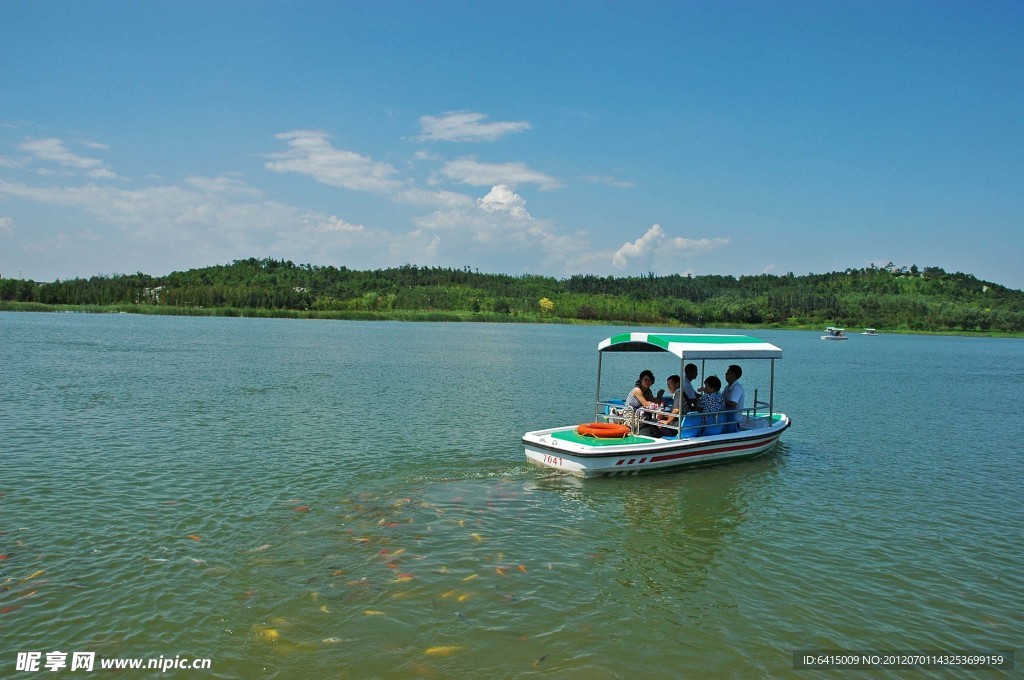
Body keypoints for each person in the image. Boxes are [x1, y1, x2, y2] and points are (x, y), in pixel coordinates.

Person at [625, 370, 660, 436]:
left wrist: (659, 396)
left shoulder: (648, 391)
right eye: (645, 380)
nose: (647, 382)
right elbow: (646, 404)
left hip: (639, 412)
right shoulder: (637, 390)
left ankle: (654, 430)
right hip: (630, 413)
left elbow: (652, 401)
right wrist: (651, 403)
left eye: (649, 380)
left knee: (653, 413)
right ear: (641, 380)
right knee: (650, 414)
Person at [722, 364, 745, 432]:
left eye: (728, 372)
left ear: (733, 374)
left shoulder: (737, 387)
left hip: (733, 420)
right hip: (726, 417)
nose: (725, 374)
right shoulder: (727, 387)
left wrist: (718, 402)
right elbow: (721, 398)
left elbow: (733, 403)